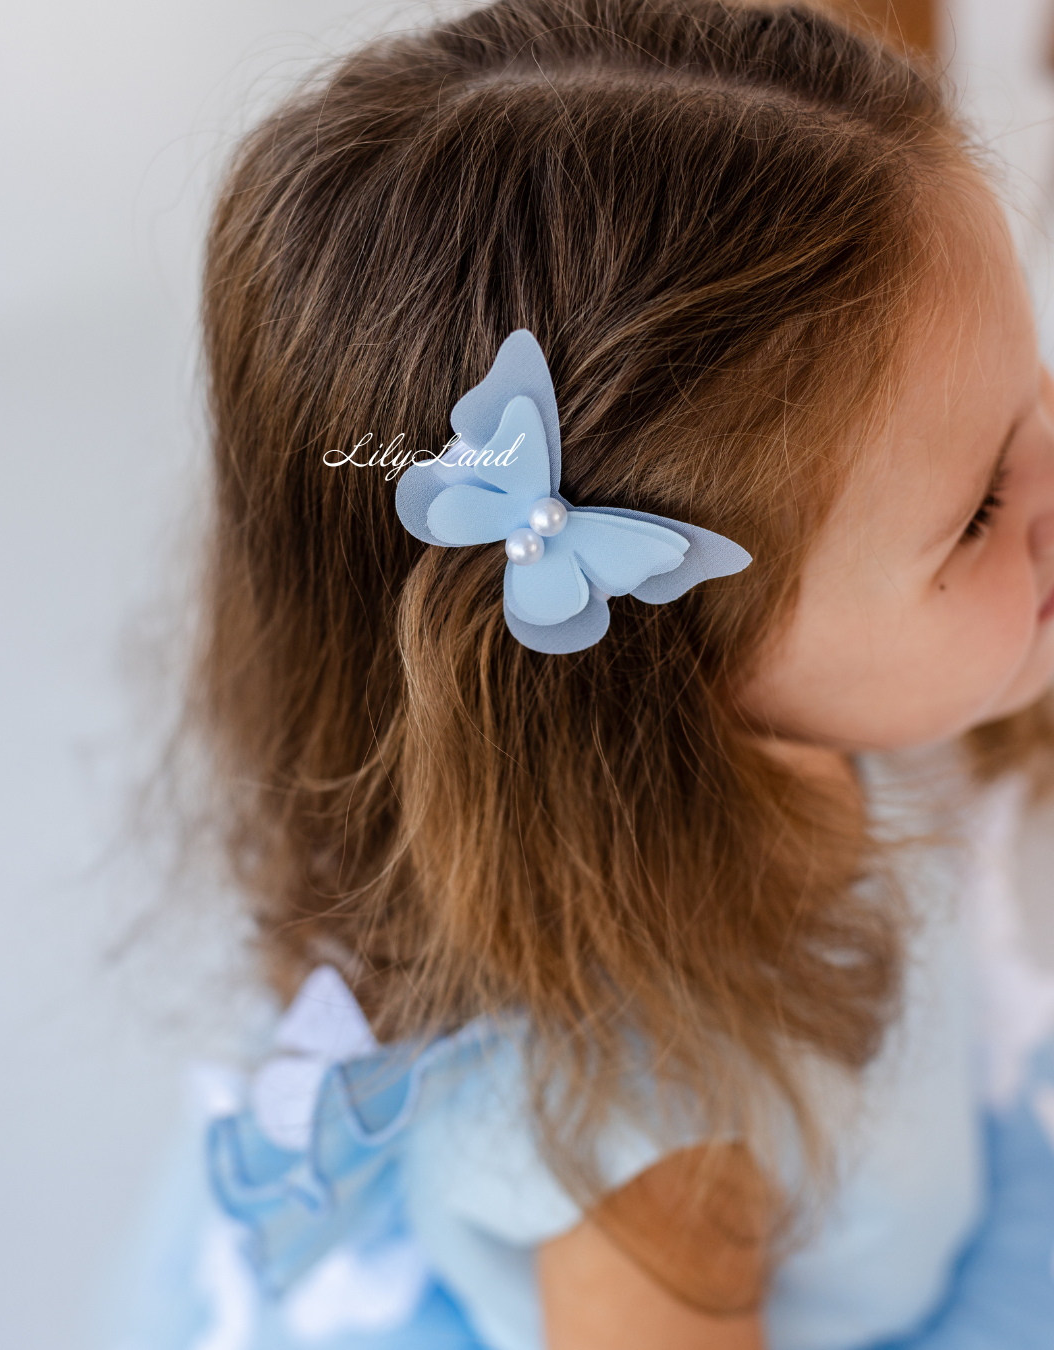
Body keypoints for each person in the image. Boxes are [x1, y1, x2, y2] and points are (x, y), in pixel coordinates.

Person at [105, 2, 1054, 1346]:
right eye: (973, 513)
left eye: (1040, 395)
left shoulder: (825, 689)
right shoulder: (663, 1136)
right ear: (678, 680)